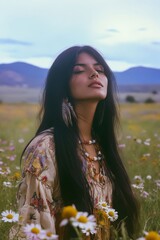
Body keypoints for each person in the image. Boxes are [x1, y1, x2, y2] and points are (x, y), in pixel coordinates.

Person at [17, 46, 139, 239]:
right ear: (62, 86)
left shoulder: (102, 147)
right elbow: (34, 227)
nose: (94, 74)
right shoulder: (46, 148)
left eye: (99, 69)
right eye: (79, 70)